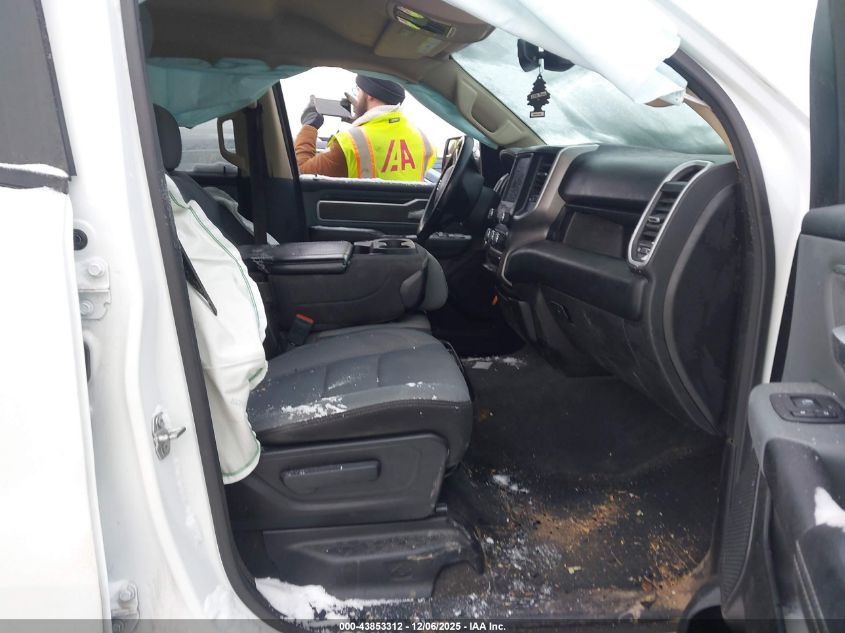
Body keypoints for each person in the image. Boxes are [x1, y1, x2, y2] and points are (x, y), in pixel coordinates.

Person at [295, 74, 436, 181]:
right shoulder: (424, 141)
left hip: (362, 212)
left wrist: (309, 126)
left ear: (369, 95)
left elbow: (301, 173)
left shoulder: (350, 144)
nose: (357, 95)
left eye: (358, 90)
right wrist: (362, 123)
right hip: (410, 213)